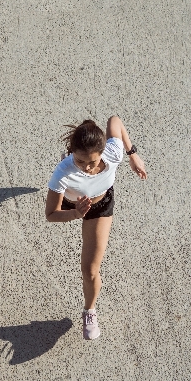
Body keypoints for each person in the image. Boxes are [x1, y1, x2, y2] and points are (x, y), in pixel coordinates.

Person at [44, 116, 147, 340]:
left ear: (102, 152)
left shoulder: (113, 152)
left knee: (90, 270)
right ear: (72, 152)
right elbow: (51, 214)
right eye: (80, 161)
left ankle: (89, 311)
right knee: (70, 179)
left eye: (92, 162)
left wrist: (133, 155)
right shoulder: (63, 172)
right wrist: (75, 213)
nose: (87, 168)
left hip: (100, 205)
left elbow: (115, 121)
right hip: (73, 204)